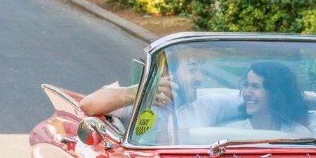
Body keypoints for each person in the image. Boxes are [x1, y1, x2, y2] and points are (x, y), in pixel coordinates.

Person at [79, 48, 242, 137]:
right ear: (166, 73)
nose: (199, 78)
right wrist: (141, 92)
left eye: (202, 71)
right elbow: (88, 104)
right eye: (192, 70)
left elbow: (255, 102)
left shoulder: (208, 105)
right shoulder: (140, 104)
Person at [222, 61, 312, 135]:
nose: (247, 93)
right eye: (246, 85)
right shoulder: (232, 133)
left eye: (255, 87)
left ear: (275, 93)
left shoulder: (299, 134)